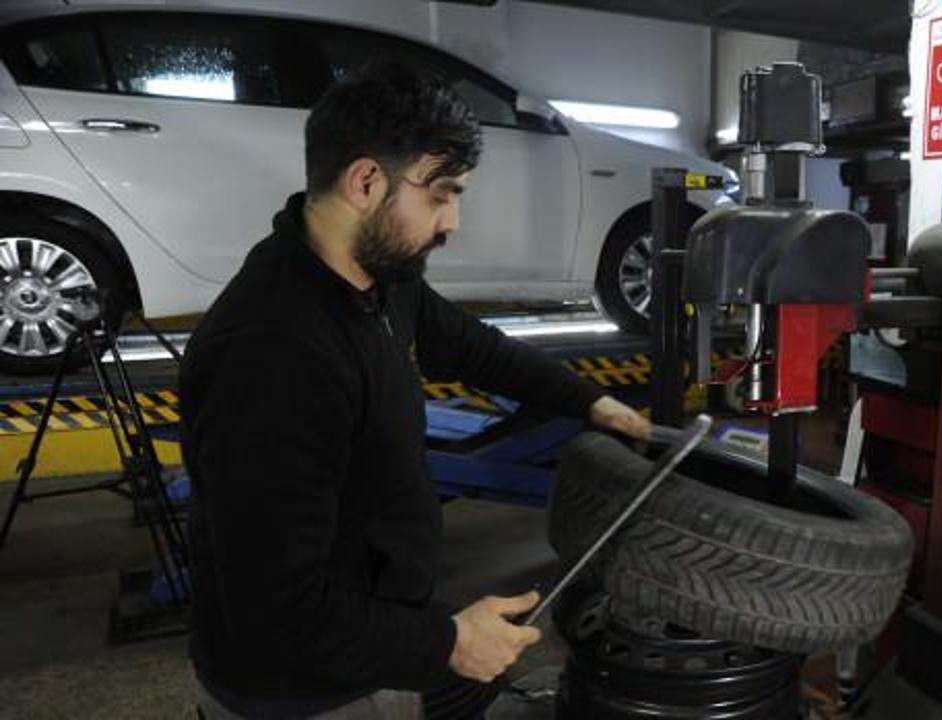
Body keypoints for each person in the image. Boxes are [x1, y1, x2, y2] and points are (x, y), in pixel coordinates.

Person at [179, 60, 651, 719]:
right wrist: (448, 641)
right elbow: (273, 611)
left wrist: (589, 401)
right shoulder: (274, 355)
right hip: (305, 693)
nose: (451, 221)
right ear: (366, 181)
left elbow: (470, 344)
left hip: (372, 638)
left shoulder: (378, 278)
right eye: (440, 194)